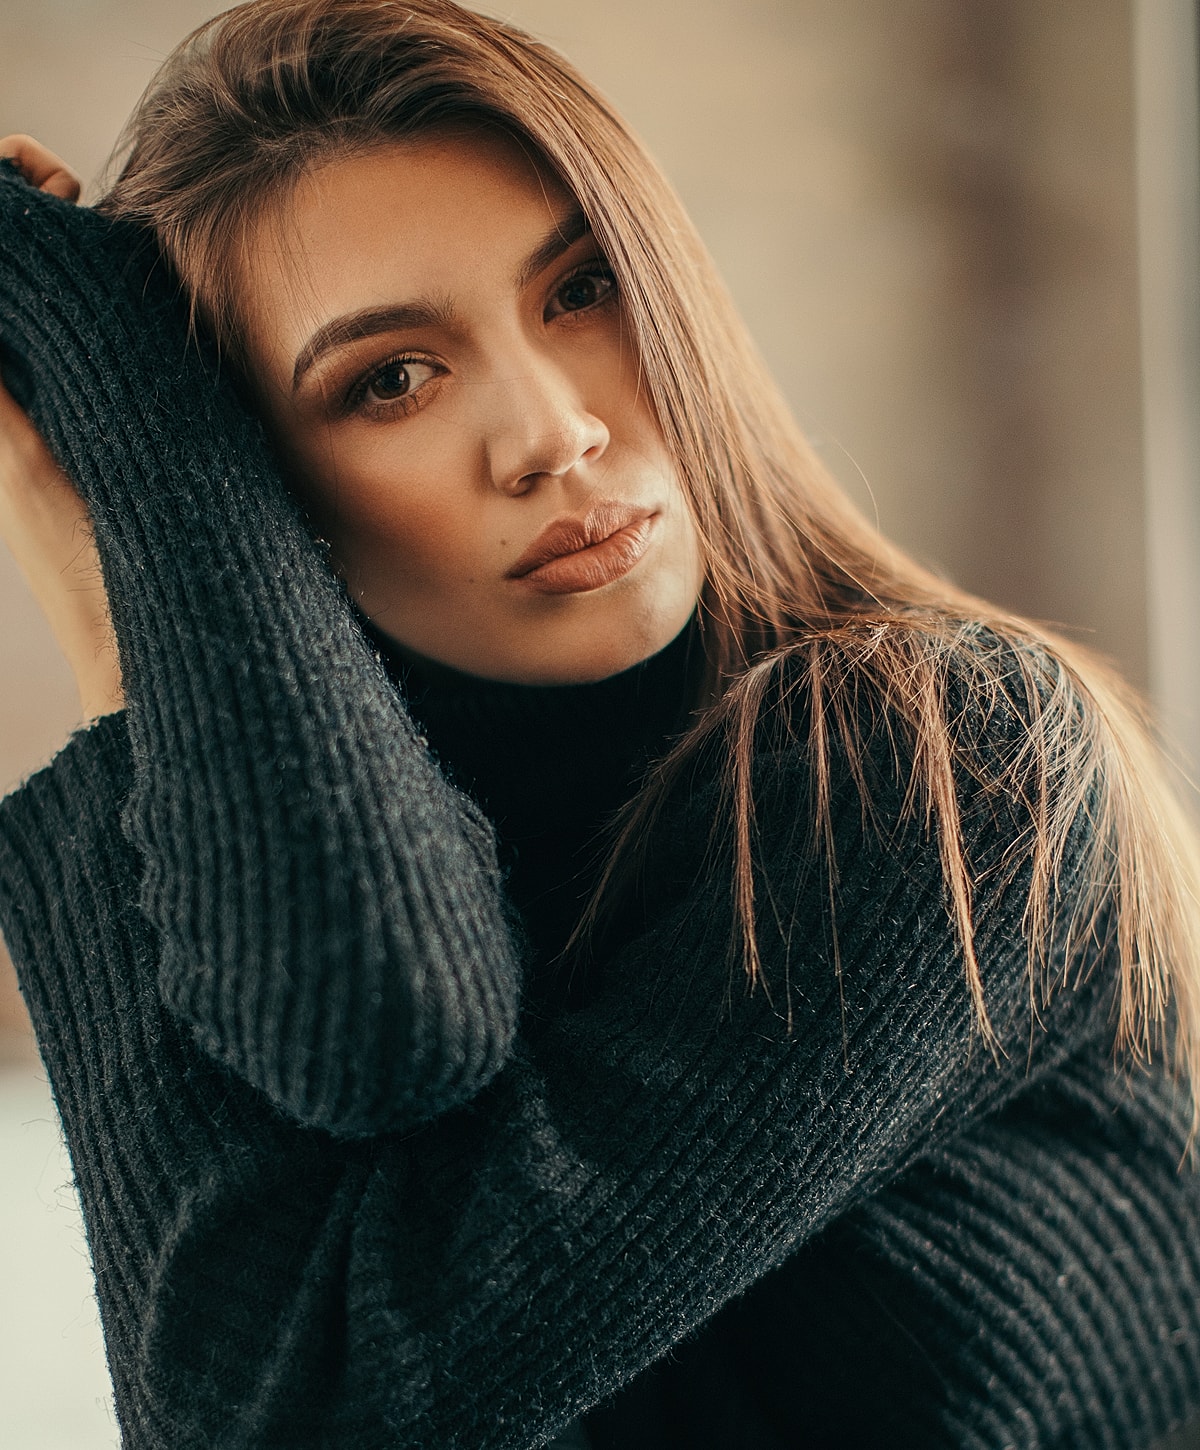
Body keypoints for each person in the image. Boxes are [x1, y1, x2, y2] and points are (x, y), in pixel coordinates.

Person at [1, 1, 1199, 1445]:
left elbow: (303, 1421)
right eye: (390, 379)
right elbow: (388, 1034)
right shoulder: (336, 894)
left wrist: (128, 632)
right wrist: (138, 569)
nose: (551, 429)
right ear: (257, 487)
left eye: (580, 289)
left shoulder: (959, 759)